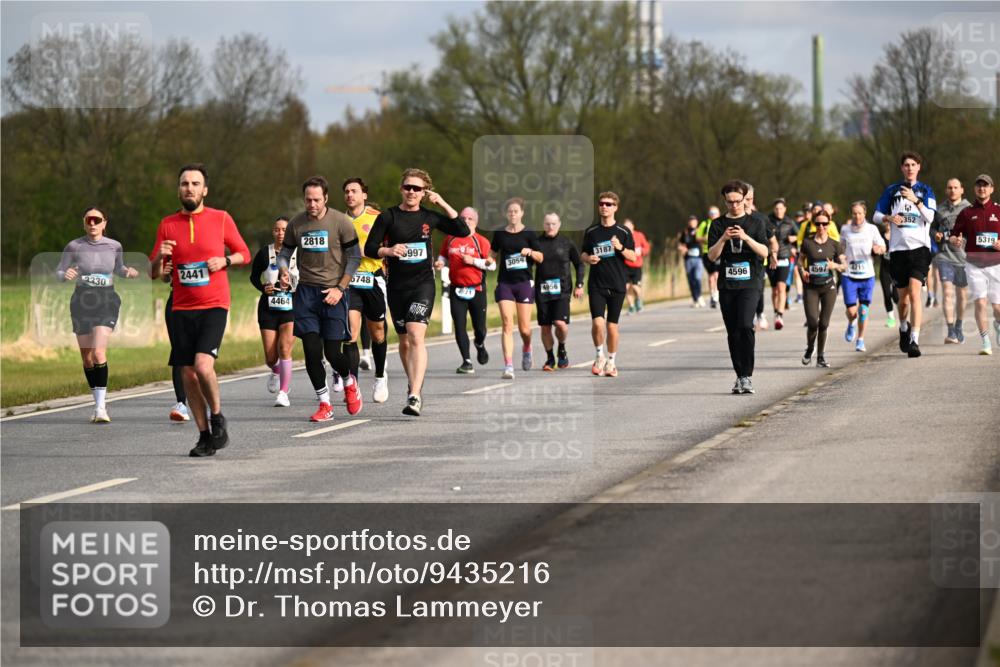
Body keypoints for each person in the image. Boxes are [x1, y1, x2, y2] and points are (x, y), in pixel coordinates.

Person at [150, 163, 250, 457]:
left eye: (195, 184)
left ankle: (217, 418)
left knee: (203, 366)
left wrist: (226, 261)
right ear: (178, 189)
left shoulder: (221, 219)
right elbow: (154, 272)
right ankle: (204, 435)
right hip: (181, 307)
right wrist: (162, 260)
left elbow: (244, 252)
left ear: (204, 190)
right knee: (188, 375)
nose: (189, 188)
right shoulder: (167, 224)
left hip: (214, 305)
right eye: (184, 184)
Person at [364, 168, 466, 416]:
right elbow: (369, 248)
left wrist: (441, 202)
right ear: (401, 189)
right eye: (407, 187)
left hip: (423, 284)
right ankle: (414, 384)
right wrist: (388, 251)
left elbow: (463, 230)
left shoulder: (430, 217)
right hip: (396, 286)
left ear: (424, 193)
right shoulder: (388, 216)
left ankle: (414, 395)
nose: (411, 192)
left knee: (415, 335)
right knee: (403, 340)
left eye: (417, 189)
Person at [277, 176, 361, 422]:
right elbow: (284, 253)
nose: (311, 204)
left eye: (316, 200)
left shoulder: (341, 222)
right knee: (312, 351)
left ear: (325, 198)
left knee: (333, 352)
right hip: (306, 293)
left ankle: (349, 381)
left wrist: (340, 288)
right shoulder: (296, 224)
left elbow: (355, 258)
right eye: (307, 200)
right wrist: (283, 269)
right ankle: (325, 403)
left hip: (333, 291)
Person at [56, 206, 140, 423]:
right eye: (89, 220)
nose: (93, 224)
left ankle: (102, 408)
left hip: (106, 300)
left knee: (98, 353)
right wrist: (65, 274)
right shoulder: (74, 246)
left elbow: (119, 268)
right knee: (87, 357)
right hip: (82, 301)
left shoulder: (114, 246)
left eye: (97, 220)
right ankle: (96, 403)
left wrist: (128, 272)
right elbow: (59, 271)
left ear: (105, 222)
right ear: (84, 222)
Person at [873, 151, 937, 358]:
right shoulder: (892, 191)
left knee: (916, 293)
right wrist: (889, 218)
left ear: (919, 167)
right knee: (903, 301)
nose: (910, 168)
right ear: (902, 168)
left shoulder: (926, 190)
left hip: (920, 249)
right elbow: (875, 215)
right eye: (906, 165)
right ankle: (903, 327)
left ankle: (915, 340)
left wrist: (916, 201)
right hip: (898, 251)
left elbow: (929, 217)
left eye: (913, 164)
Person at [707, 181, 769, 394]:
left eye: (738, 201)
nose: (734, 206)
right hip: (727, 285)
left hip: (750, 284)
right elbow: (712, 256)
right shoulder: (717, 225)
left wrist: (745, 237)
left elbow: (764, 252)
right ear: (724, 201)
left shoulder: (756, 223)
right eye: (729, 202)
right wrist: (724, 238)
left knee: (745, 325)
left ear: (745, 200)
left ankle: (748, 375)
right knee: (732, 331)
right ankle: (739, 376)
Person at [343, 178, 389, 402]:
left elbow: (387, 247)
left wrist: (367, 250)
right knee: (350, 333)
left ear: (364, 195)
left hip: (373, 278)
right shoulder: (338, 220)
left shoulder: (377, 217)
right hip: (348, 281)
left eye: (354, 191)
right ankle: (353, 386)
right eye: (347, 191)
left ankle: (380, 377)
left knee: (377, 332)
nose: (350, 195)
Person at [581, 191, 636, 378]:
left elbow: (633, 256)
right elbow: (582, 254)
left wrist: (620, 247)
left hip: (617, 283)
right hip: (596, 283)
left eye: (609, 204)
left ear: (615, 208)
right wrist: (589, 258)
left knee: (612, 326)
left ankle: (611, 362)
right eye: (601, 203)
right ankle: (599, 356)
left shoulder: (623, 232)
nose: (604, 207)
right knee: (598, 323)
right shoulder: (591, 232)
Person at [435, 206, 495, 373]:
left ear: (476, 222)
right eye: (463, 218)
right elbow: (444, 256)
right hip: (456, 289)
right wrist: (441, 263)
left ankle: (480, 343)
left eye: (470, 219)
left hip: (476, 289)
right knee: (459, 326)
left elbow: (492, 265)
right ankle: (466, 361)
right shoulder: (450, 239)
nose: (466, 221)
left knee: (480, 328)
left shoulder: (481, 241)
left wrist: (474, 261)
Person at [491, 197, 543, 380]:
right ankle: (508, 365)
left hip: (524, 283)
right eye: (510, 211)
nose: (513, 214)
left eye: (516, 211)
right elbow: (493, 254)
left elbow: (540, 257)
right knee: (506, 322)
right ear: (506, 214)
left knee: (524, 329)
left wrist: (529, 252)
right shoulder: (499, 234)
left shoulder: (529, 233)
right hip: (505, 282)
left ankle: (527, 348)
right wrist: (488, 261)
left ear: (522, 213)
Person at [949, 174, 1000, 355]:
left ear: (992, 189)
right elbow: (954, 234)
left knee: (997, 308)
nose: (982, 189)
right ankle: (985, 341)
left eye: (985, 186)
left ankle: (998, 324)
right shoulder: (967, 212)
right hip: (974, 264)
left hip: (996, 264)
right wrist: (955, 240)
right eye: (978, 185)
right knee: (980, 302)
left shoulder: (998, 210)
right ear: (974, 189)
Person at [249, 216, 298, 407]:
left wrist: (293, 285)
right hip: (269, 307)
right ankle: (276, 370)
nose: (280, 233)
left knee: (284, 348)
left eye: (284, 230)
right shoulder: (264, 253)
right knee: (270, 358)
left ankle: (283, 392)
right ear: (273, 232)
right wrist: (263, 288)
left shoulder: (298, 253)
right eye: (277, 230)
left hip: (291, 306)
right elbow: (253, 276)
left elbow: (309, 277)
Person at [535, 212, 584, 370]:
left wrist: (579, 284)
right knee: (545, 327)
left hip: (562, 290)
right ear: (543, 225)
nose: (550, 227)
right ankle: (550, 358)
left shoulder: (566, 242)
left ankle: (561, 348)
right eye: (548, 224)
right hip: (542, 290)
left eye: (553, 224)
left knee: (560, 324)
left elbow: (579, 264)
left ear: (559, 225)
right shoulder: (536, 243)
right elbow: (527, 264)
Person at [798, 210, 846, 367]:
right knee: (812, 322)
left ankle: (820, 357)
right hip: (811, 287)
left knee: (823, 324)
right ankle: (810, 348)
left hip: (828, 287)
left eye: (825, 223)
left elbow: (845, 266)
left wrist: (835, 265)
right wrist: (802, 271)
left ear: (829, 223)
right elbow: (799, 262)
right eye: (818, 223)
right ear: (814, 224)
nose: (821, 227)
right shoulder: (807, 242)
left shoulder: (835, 244)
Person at [838, 202, 885, 352]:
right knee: (852, 312)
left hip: (867, 275)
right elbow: (841, 248)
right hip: (849, 275)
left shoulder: (872, 229)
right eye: (854, 213)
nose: (857, 216)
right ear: (851, 214)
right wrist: (841, 259)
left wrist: (879, 249)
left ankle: (860, 339)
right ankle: (851, 323)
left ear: (864, 214)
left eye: (860, 213)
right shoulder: (845, 230)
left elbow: (883, 246)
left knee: (863, 310)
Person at [931, 178, 972, 344]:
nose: (952, 190)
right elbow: (932, 227)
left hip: (963, 258)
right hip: (944, 256)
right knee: (947, 292)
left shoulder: (969, 209)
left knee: (961, 295)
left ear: (962, 190)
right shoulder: (939, 209)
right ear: (946, 190)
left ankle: (959, 325)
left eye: (956, 187)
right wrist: (935, 235)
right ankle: (950, 331)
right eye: (949, 188)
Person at [745, 185, 777, 331]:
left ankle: (759, 314)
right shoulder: (729, 219)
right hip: (738, 265)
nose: (748, 202)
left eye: (750, 199)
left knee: (757, 290)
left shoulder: (761, 219)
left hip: (758, 263)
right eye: (746, 199)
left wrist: (774, 255)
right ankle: (748, 316)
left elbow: (773, 242)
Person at [767, 198, 798, 329]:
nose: (779, 211)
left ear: (785, 209)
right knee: (774, 290)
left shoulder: (789, 222)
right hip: (771, 259)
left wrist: (793, 238)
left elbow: (799, 235)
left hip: (784, 257)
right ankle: (776, 312)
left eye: (781, 208)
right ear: (774, 210)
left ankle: (780, 315)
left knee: (781, 287)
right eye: (776, 208)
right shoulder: (767, 221)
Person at [163, 274, 189, 422]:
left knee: (201, 356)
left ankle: (210, 405)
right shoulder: (169, 249)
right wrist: (163, 269)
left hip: (205, 301)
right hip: (177, 300)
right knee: (179, 352)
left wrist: (225, 261)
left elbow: (244, 255)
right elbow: (156, 273)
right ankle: (181, 404)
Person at [623, 218, 651, 314]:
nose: (627, 227)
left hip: (636, 265)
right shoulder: (622, 236)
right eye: (625, 226)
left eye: (629, 225)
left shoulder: (639, 235)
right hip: (625, 266)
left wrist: (642, 251)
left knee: (635, 286)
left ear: (632, 226)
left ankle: (638, 300)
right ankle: (631, 306)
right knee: (626, 287)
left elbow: (646, 247)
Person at [696, 206, 722, 307]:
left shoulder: (721, 222)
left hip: (719, 251)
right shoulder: (704, 224)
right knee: (711, 276)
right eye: (711, 212)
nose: (713, 214)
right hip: (707, 252)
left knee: (717, 274)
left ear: (719, 213)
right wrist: (705, 238)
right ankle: (712, 295)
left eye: (715, 212)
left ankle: (717, 294)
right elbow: (697, 238)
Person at [678, 215, 705, 307]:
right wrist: (682, 248)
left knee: (697, 278)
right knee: (691, 280)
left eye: (694, 221)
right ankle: (695, 299)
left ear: (697, 222)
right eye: (690, 221)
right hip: (688, 259)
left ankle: (700, 296)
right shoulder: (685, 232)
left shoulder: (700, 231)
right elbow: (681, 244)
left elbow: (706, 240)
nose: (692, 223)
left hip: (698, 258)